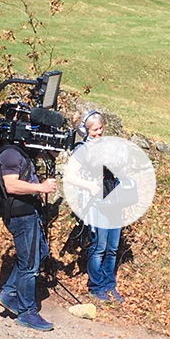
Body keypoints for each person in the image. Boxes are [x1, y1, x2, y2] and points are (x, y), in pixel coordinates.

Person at [0, 139, 57, 331]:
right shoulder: (10, 153)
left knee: (40, 252)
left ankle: (9, 293)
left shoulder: (21, 150)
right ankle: (26, 312)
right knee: (29, 264)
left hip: (30, 211)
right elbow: (11, 185)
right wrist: (41, 188)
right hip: (20, 214)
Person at [64, 110, 124, 303]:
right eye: (94, 131)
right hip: (96, 203)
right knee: (99, 246)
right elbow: (70, 175)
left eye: (100, 129)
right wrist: (89, 185)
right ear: (85, 131)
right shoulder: (82, 149)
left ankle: (109, 285)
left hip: (113, 201)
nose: (98, 134)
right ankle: (96, 286)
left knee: (113, 247)